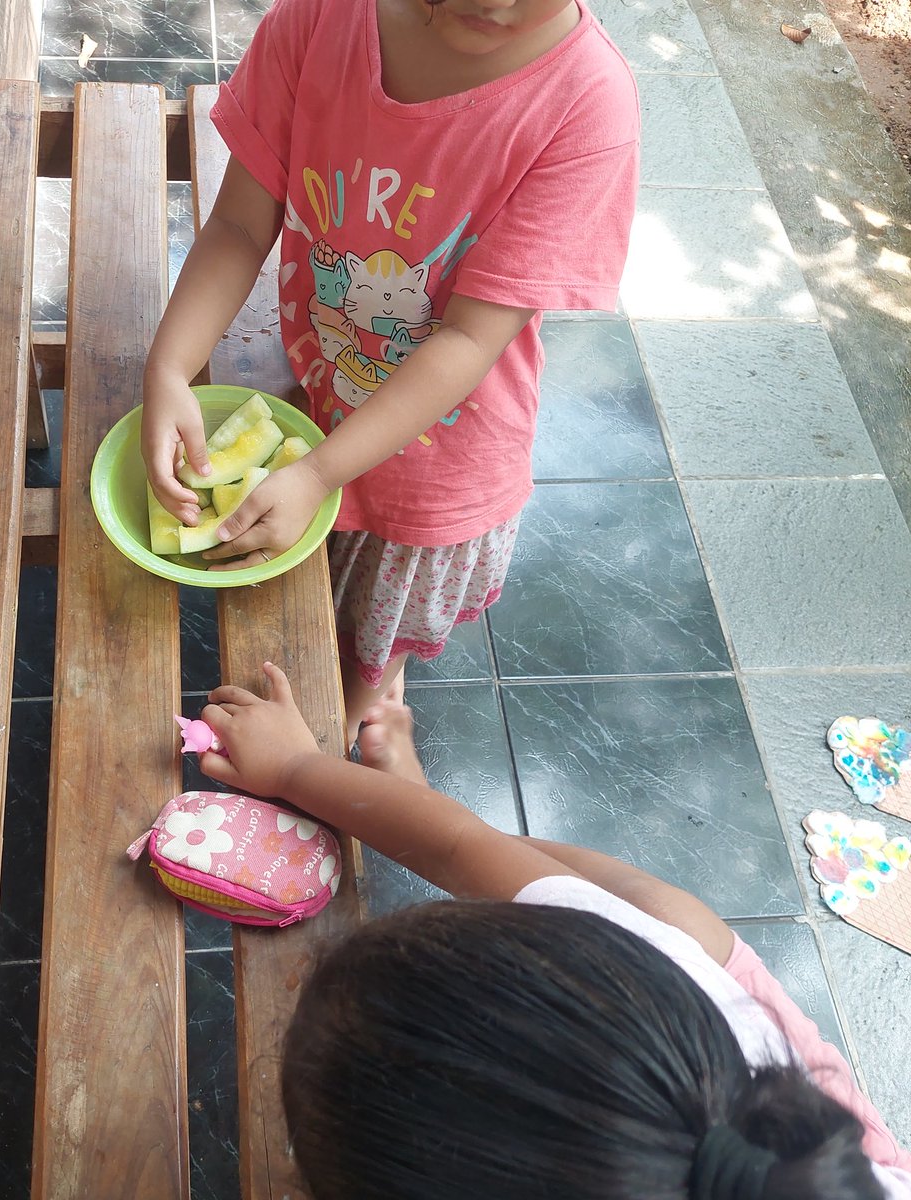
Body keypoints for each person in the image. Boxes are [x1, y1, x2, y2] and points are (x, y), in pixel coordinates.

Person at [195, 662, 911, 1200]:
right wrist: (297, 768)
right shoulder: (672, 958)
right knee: (659, 915)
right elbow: (460, 849)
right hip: (751, 1066)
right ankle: (418, 805)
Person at [141, 0, 640, 743]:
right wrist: (169, 368)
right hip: (323, 400)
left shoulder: (589, 106)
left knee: (373, 640)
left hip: (438, 468)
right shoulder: (319, 20)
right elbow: (242, 222)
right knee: (324, 587)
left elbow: (469, 339)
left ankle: (364, 708)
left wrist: (318, 473)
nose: (494, 2)